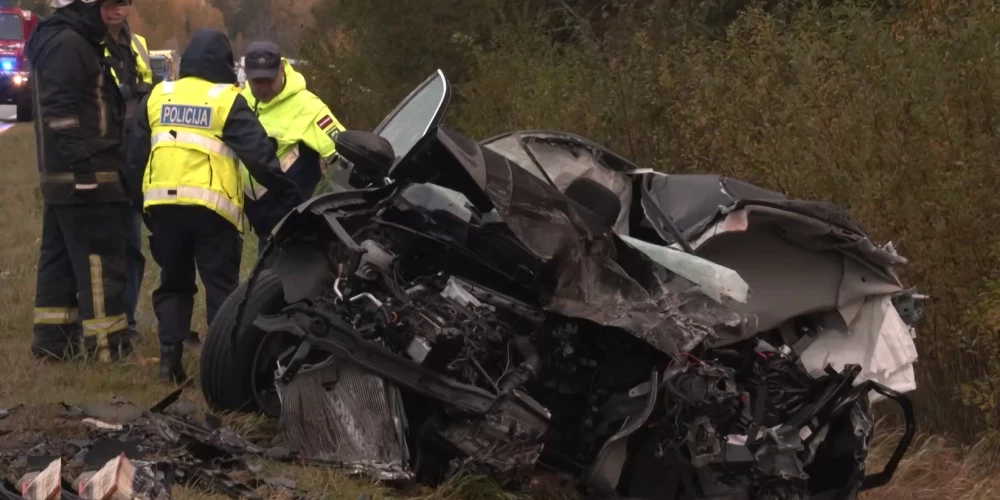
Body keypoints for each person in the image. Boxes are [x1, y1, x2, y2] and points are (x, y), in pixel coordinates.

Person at [124, 28, 302, 383]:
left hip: (163, 207)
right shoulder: (226, 99)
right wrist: (292, 198)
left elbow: (133, 159)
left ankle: (169, 362)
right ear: (224, 63)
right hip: (212, 210)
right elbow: (260, 158)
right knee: (221, 288)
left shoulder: (160, 95)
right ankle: (225, 368)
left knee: (173, 283)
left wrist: (139, 202)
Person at [26, 0, 131, 362]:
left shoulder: (65, 40)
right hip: (84, 175)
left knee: (57, 263)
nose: (118, 11)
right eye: (109, 5)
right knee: (101, 263)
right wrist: (84, 168)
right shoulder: (69, 45)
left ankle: (53, 344)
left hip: (62, 176)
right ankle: (108, 350)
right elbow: (60, 111)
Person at [240, 41, 345, 256]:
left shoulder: (309, 107)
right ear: (246, 75)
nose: (263, 87)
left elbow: (344, 150)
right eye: (256, 81)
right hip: (260, 223)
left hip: (294, 222)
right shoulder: (242, 102)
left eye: (268, 80)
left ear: (281, 70)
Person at [101, 0, 152, 338]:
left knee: (131, 246)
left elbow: (148, 97)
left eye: (122, 2)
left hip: (132, 158)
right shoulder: (87, 43)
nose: (115, 9)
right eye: (108, 2)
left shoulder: (138, 45)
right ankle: (104, 322)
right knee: (102, 246)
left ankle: (127, 322)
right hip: (101, 156)